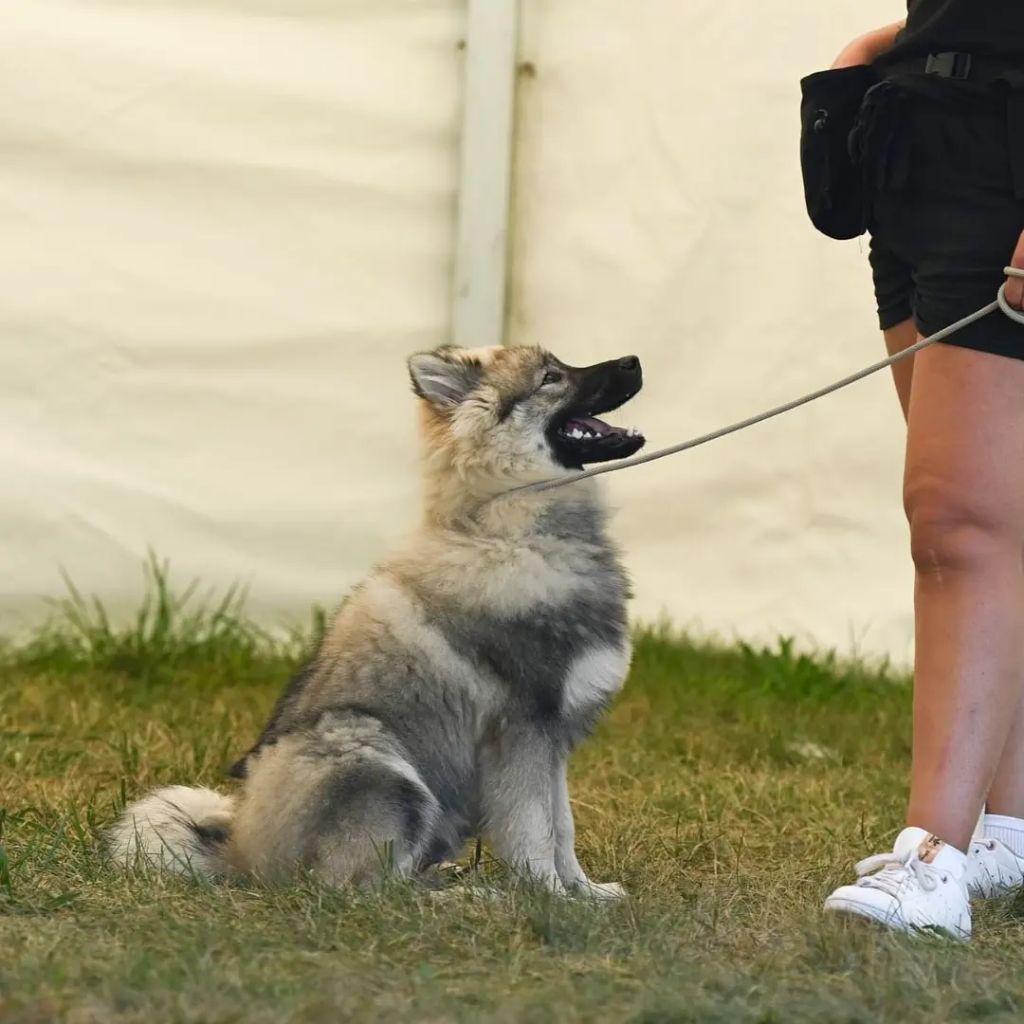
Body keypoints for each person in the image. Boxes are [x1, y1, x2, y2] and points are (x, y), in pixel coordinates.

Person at [820, 2, 1024, 939]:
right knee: (996, 522)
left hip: (1003, 153)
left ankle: (933, 859)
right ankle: (1008, 829)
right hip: (918, 139)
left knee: (957, 525)